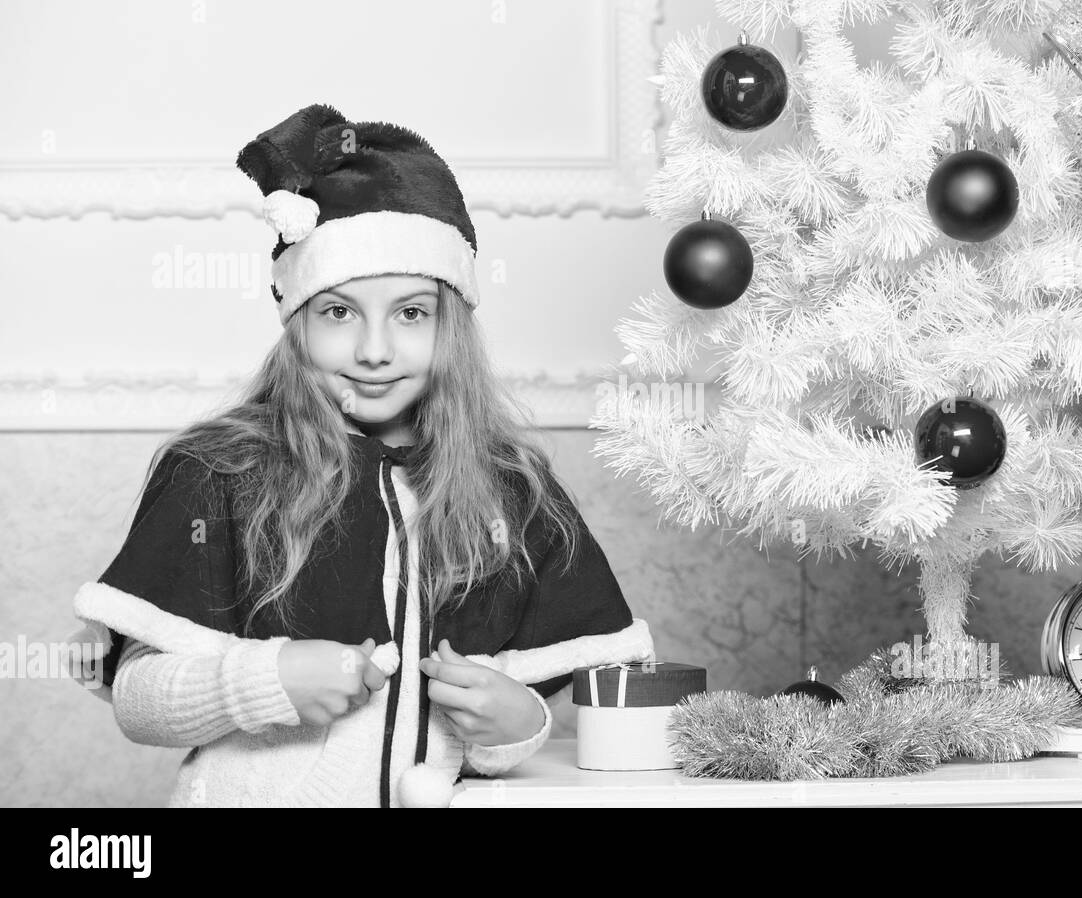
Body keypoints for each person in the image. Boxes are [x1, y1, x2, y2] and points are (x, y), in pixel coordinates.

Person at [63, 103, 654, 807]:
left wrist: (518, 724)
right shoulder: (220, 472)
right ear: (296, 322)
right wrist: (265, 680)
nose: (375, 350)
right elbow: (137, 699)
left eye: (411, 313)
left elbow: (526, 721)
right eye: (339, 312)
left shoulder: (513, 491)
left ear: (450, 326)